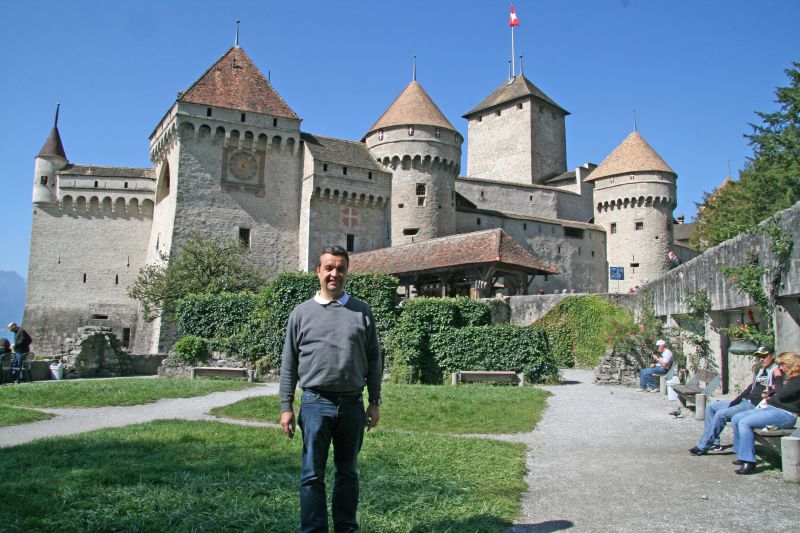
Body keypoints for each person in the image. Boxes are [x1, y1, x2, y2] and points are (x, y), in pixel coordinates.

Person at [279, 245, 382, 532]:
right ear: (318, 272)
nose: (334, 273)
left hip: (351, 404)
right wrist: (286, 407)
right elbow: (289, 362)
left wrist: (374, 401)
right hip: (314, 403)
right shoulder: (301, 314)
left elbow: (374, 359)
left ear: (347, 272)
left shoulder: (362, 312)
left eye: (340, 268)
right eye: (329, 268)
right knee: (312, 475)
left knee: (348, 473)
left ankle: (346, 528)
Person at [688, 346, 776, 455]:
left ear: (772, 356)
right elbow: (750, 388)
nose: (761, 359)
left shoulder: (776, 371)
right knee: (711, 406)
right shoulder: (761, 370)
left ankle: (703, 446)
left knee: (721, 414)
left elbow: (776, 390)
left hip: (754, 405)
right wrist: (736, 401)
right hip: (745, 401)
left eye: (764, 356)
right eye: (759, 357)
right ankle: (715, 442)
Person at [730, 351, 800, 475]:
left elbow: (783, 394)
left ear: (790, 363)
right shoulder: (788, 376)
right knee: (736, 418)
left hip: (785, 414)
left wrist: (778, 377)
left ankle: (749, 463)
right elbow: (780, 392)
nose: (780, 367)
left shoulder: (797, 378)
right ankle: (742, 453)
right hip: (773, 409)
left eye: (782, 364)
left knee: (744, 422)